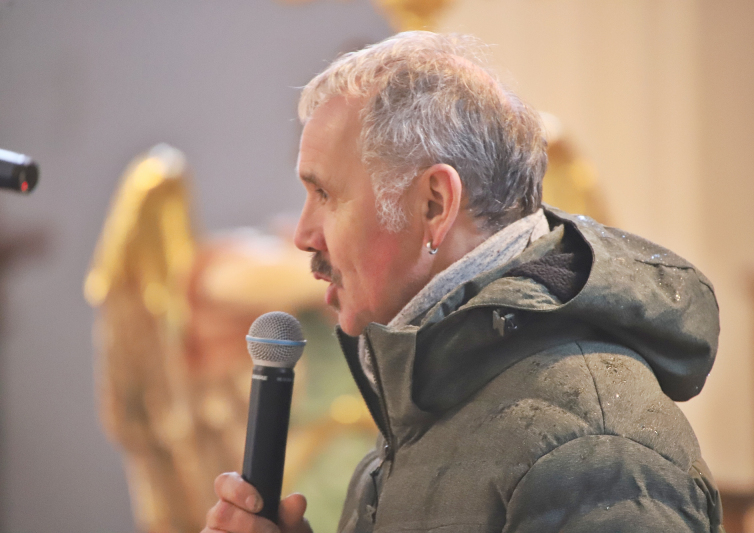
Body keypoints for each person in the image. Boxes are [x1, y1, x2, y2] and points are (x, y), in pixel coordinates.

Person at [202, 32, 724, 533]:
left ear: (434, 205)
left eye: (325, 195)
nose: (302, 235)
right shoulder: (425, 403)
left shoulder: (595, 451)